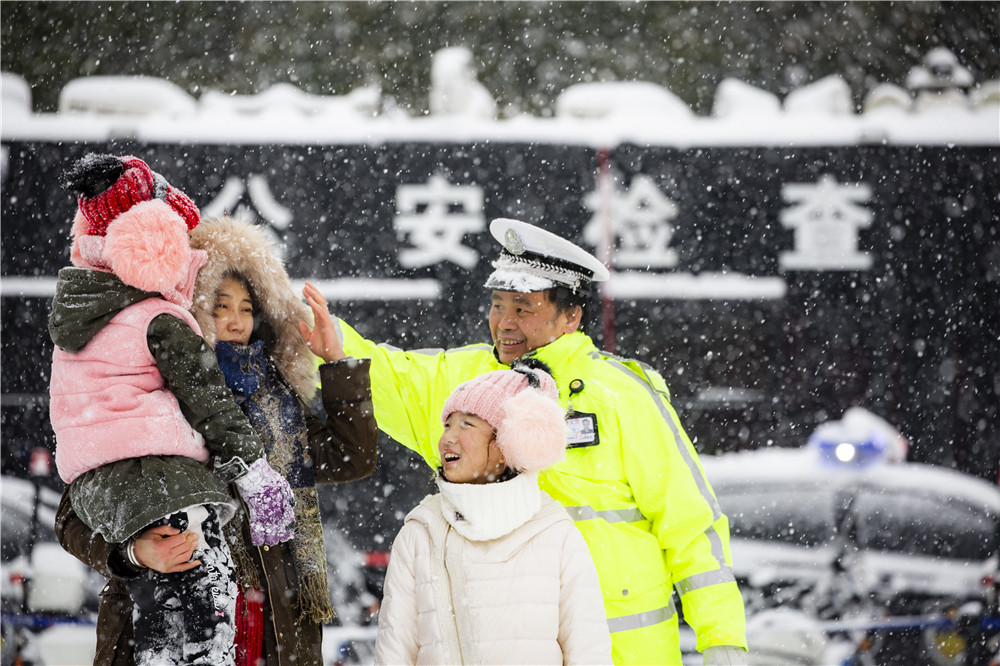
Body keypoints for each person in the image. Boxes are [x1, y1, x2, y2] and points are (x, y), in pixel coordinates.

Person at [335, 218, 748, 665]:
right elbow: (381, 372)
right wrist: (308, 334)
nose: (504, 323)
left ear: (571, 316)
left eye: (523, 308)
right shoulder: (465, 382)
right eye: (497, 305)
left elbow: (690, 524)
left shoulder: (622, 394)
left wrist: (722, 639)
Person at [55, 214, 379, 666]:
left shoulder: (276, 402)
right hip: (167, 623)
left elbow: (353, 457)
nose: (236, 322)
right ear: (191, 310)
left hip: (276, 627)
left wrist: (336, 362)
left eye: (248, 309)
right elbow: (72, 516)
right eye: (221, 306)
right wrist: (132, 553)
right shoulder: (153, 395)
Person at [48, 154, 296, 666]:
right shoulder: (159, 319)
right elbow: (211, 404)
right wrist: (255, 472)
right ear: (153, 246)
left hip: (96, 489)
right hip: (169, 489)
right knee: (203, 622)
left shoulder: (75, 324)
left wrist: (129, 550)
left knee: (162, 634)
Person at [374, 362, 612, 665]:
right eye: (447, 425)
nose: (447, 438)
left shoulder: (555, 533)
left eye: (466, 424)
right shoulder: (421, 533)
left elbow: (589, 652)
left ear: (504, 447)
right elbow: (394, 652)